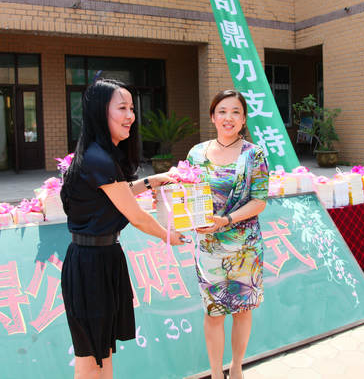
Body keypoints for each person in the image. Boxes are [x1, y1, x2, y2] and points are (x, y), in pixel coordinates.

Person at [59, 79, 186, 379]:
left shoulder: (101, 155)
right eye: (122, 108)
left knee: (103, 351)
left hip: (103, 259)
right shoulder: (98, 158)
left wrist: (153, 181)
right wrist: (168, 235)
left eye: (132, 108)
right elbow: (136, 216)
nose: (130, 116)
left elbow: (117, 193)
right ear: (100, 112)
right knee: (91, 357)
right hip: (90, 265)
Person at [186, 89, 269, 379]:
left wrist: (226, 220)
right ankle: (215, 373)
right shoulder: (196, 154)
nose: (228, 118)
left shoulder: (254, 154)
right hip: (209, 247)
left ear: (244, 119)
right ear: (212, 116)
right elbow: (188, 194)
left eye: (235, 112)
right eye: (222, 111)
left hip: (245, 248)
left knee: (242, 310)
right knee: (214, 313)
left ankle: (236, 367)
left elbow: (260, 200)